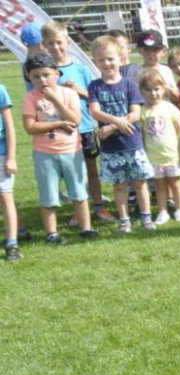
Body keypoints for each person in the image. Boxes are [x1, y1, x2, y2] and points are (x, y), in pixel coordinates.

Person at [22, 52, 99, 244]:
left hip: (72, 151)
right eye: (36, 76)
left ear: (56, 73)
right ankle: (52, 233)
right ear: (29, 77)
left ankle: (86, 228)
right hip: (45, 153)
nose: (42, 80)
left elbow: (75, 120)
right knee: (48, 195)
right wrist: (57, 124)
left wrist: (55, 100)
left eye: (46, 74)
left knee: (79, 192)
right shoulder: (31, 98)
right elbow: (30, 127)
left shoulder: (69, 94)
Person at [42, 21, 113, 225]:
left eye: (59, 42)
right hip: (64, 128)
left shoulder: (81, 69)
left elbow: (95, 94)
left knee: (91, 168)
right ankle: (78, 211)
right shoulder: (47, 73)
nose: (56, 47)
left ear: (67, 43)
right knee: (74, 172)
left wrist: (78, 91)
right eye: (50, 44)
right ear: (44, 46)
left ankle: (99, 206)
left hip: (86, 127)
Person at [88, 36, 156, 233]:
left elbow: (135, 113)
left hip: (132, 144)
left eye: (110, 58)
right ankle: (124, 220)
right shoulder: (95, 86)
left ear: (120, 58)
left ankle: (146, 218)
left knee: (140, 183)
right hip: (112, 148)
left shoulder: (129, 85)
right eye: (101, 60)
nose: (107, 63)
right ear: (95, 62)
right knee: (119, 186)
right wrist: (117, 121)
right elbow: (95, 111)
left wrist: (110, 127)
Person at [139, 68, 180, 224]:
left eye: (156, 89)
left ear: (163, 89)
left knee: (175, 183)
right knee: (159, 186)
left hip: (172, 155)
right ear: (141, 91)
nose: (153, 93)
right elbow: (141, 135)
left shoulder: (169, 108)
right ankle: (163, 211)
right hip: (154, 157)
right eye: (148, 90)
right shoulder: (142, 112)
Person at [0, 81, 20, 262]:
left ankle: (12, 243)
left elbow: (9, 127)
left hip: (1, 154)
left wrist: (11, 156)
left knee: (5, 196)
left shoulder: (0, 89)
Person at [136, 29, 178, 95]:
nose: (151, 54)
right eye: (146, 50)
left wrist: (165, 87)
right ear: (139, 51)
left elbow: (176, 96)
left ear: (164, 52)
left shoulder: (166, 70)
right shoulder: (136, 71)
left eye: (155, 50)